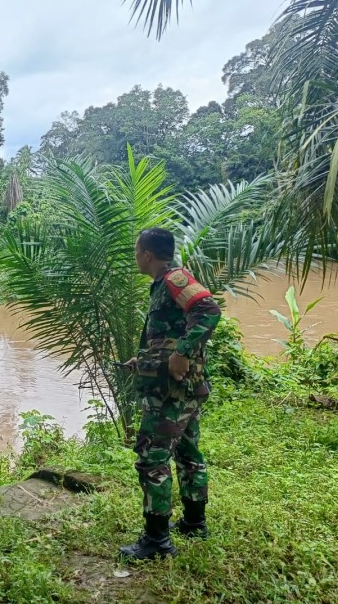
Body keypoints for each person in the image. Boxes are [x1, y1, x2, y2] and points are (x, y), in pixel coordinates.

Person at [119, 228, 221, 561]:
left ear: (147, 254)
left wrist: (182, 353)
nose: (136, 257)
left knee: (152, 459)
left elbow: (208, 310)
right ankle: (194, 523)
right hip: (182, 389)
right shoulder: (162, 284)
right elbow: (170, 334)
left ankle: (157, 542)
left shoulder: (175, 279)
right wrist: (145, 360)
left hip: (171, 394)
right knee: (188, 453)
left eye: (136, 251)